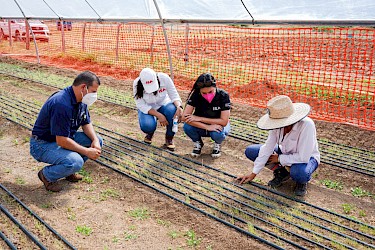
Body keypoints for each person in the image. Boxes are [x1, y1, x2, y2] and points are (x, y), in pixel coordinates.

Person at [30, 71, 103, 192]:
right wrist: (86, 151)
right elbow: (62, 141)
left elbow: (86, 122)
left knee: (97, 140)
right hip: (42, 144)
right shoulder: (61, 104)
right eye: (94, 91)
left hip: (62, 138)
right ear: (84, 87)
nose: (95, 95)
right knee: (76, 161)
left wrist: (95, 140)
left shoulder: (81, 99)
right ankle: (47, 175)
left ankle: (69, 170)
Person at [236, 95, 320, 196]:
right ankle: (283, 172)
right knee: (252, 151)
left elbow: (303, 157)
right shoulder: (276, 125)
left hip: (307, 159)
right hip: (285, 152)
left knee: (299, 173)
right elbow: (267, 147)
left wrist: (280, 158)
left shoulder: (307, 125)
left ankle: (301, 182)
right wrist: (253, 174)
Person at [182, 73, 231, 158]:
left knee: (218, 134)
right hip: (202, 125)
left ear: (215, 87)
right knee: (187, 127)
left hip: (218, 125)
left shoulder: (223, 96)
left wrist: (198, 118)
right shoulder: (195, 95)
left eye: (210, 92)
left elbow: (224, 121)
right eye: (204, 93)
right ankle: (198, 143)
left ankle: (217, 144)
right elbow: (184, 117)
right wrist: (207, 127)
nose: (208, 95)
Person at [133, 68, 183, 151]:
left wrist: (179, 107)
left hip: (164, 104)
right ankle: (150, 133)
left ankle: (169, 138)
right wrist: (159, 115)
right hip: (148, 108)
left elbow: (174, 95)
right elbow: (141, 104)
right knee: (147, 126)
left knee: (172, 111)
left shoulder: (164, 78)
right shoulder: (136, 84)